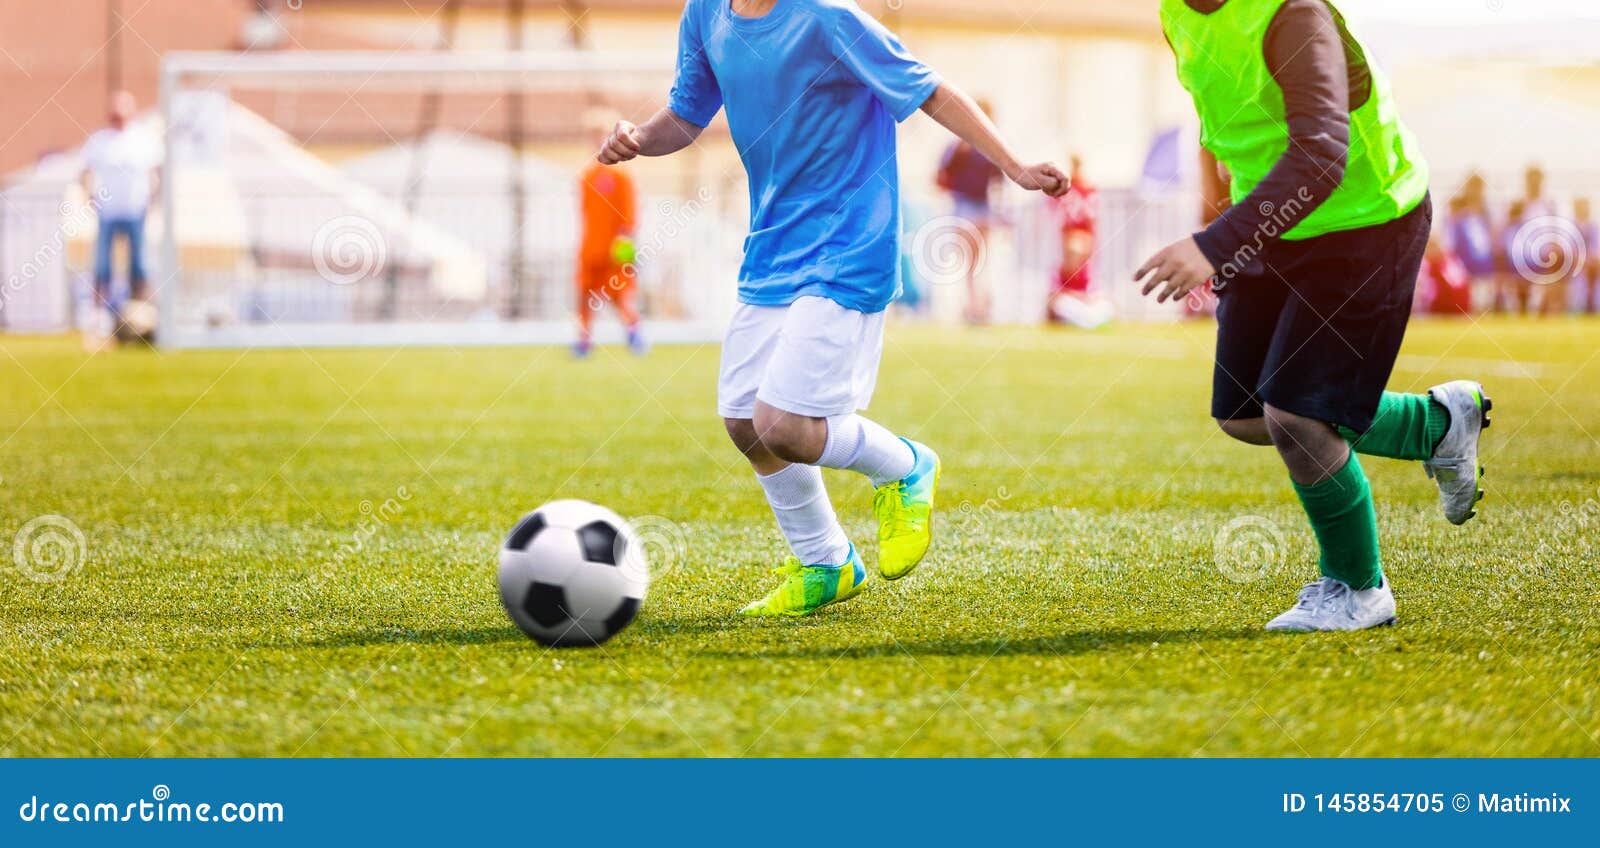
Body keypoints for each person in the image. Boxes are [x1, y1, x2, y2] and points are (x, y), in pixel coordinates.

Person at [597, 0, 1066, 616]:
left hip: (849, 244)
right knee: (744, 421)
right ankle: (826, 562)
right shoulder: (704, 12)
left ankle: (905, 466)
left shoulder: (828, 17)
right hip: (772, 246)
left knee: (784, 425)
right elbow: (685, 117)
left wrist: (1015, 165)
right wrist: (637, 140)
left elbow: (933, 91)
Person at [1138, 0, 1491, 632]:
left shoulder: (1293, 14)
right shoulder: (1176, 13)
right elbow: (1214, 125)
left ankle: (1358, 588)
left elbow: (1324, 154)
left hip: (1364, 220)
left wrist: (1214, 244)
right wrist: (1222, 226)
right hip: (1272, 221)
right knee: (1245, 414)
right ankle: (1435, 425)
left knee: (1297, 416)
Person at [575, 110, 646, 358]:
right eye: (591, 135)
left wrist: (625, 243)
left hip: (615, 248)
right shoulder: (586, 175)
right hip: (590, 247)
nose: (595, 140)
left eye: (599, 134)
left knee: (621, 295)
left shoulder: (621, 175)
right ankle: (583, 340)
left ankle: (635, 334)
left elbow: (629, 215)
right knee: (585, 295)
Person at [81, 91, 160, 311]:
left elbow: (156, 173)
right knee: (102, 266)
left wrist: (152, 201)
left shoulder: (143, 139)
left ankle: (141, 313)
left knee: (139, 266)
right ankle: (97, 317)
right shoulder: (99, 141)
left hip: (136, 212)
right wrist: (90, 197)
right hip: (107, 212)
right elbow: (85, 172)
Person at [935, 99, 1005, 324]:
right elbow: (942, 176)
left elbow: (998, 180)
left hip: (981, 206)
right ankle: (975, 305)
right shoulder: (959, 146)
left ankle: (978, 305)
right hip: (965, 205)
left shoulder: (989, 146)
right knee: (972, 261)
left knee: (978, 260)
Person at [1046, 155, 1112, 328]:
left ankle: (1084, 321)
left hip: (1084, 305)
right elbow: (1053, 298)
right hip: (1072, 305)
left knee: (1102, 308)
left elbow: (1096, 294)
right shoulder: (1061, 271)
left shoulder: (1088, 270)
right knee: (1065, 306)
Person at [1445, 174, 1496, 311]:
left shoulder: (1487, 213)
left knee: (1484, 305)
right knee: (1469, 305)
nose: (1476, 191)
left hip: (1485, 268)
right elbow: (1450, 241)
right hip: (1464, 268)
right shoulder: (1458, 213)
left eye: (1479, 187)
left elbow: (1492, 240)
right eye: (1472, 187)